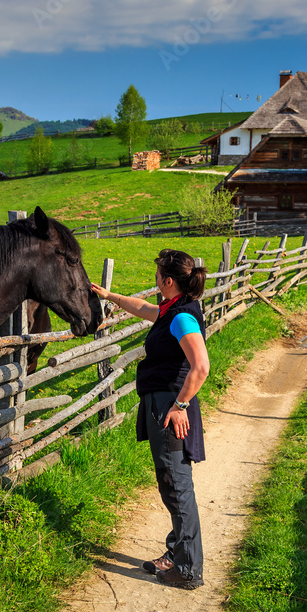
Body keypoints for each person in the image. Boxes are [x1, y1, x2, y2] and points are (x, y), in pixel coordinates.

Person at [90, 249, 210, 590]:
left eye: (157, 276)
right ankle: (177, 553)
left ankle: (187, 569)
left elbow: (201, 366)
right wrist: (111, 296)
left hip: (171, 408)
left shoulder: (182, 317)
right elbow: (146, 310)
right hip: (165, 403)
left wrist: (180, 406)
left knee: (176, 484)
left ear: (168, 281)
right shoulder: (172, 310)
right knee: (172, 482)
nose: (155, 280)